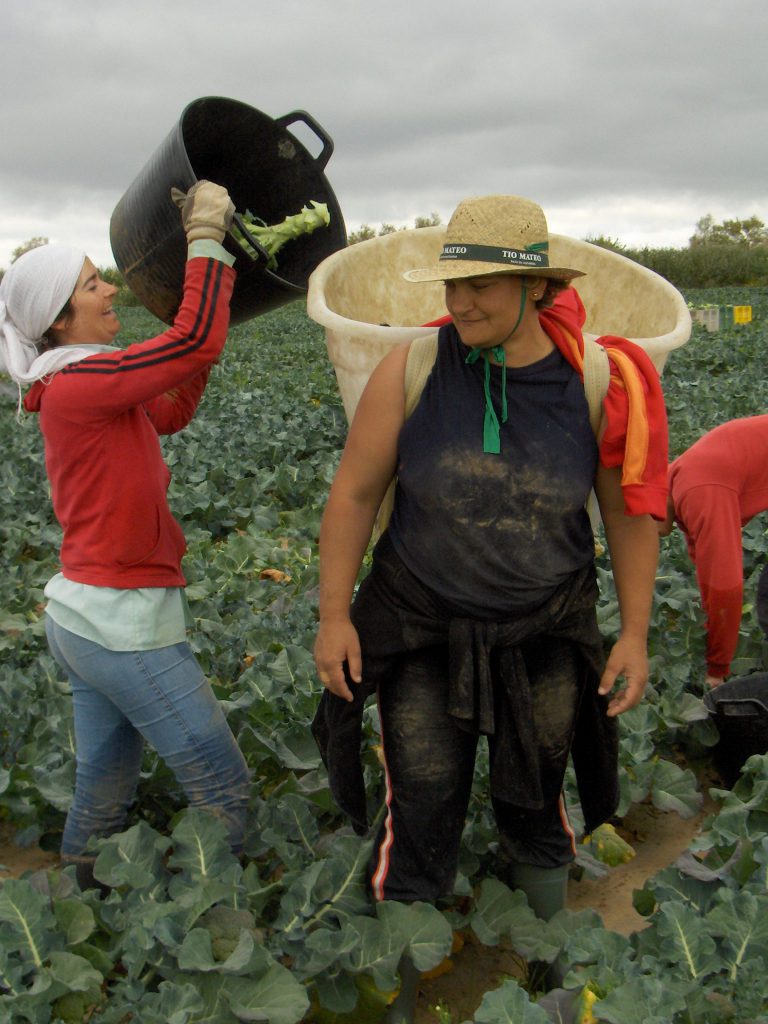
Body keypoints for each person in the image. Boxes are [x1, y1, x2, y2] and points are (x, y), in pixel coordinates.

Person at [311, 194, 668, 1019]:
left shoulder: (594, 379)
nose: (462, 303)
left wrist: (637, 633)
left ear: (536, 288)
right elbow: (356, 495)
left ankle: (549, 975)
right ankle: (408, 985)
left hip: (546, 624)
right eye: (453, 286)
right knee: (424, 796)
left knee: (535, 794)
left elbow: (629, 512)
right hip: (422, 623)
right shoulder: (414, 367)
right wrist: (334, 615)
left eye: (484, 286)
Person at [0, 180, 251, 889]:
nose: (110, 288)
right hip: (119, 624)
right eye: (90, 285)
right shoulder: (84, 383)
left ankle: (75, 903)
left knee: (104, 791)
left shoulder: (83, 384)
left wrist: (204, 333)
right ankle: (215, 927)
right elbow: (191, 338)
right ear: (57, 318)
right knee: (223, 789)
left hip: (87, 618)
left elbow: (168, 408)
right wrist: (205, 238)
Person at [659, 415, 768, 688]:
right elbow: (705, 567)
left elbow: (724, 587)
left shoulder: (699, 490)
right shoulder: (680, 479)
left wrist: (717, 669)